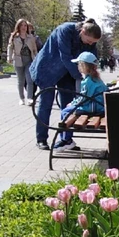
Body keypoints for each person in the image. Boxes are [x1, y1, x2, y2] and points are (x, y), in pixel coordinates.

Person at [30, 18, 101, 150]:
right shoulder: (65, 30)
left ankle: (66, 140)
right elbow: (65, 56)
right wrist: (81, 76)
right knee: (46, 104)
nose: (91, 44)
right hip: (48, 69)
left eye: (93, 43)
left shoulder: (90, 41)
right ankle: (41, 139)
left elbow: (92, 58)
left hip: (67, 74)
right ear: (83, 31)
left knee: (68, 106)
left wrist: (93, 74)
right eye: (89, 41)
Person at [53, 52, 107, 150]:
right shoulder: (94, 79)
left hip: (94, 109)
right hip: (98, 106)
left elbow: (85, 99)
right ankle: (66, 139)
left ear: (84, 66)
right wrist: (74, 103)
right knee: (68, 109)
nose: (78, 66)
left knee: (66, 112)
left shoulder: (88, 81)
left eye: (79, 64)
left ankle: (66, 140)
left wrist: (73, 103)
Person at [8, 19, 39, 106]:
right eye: (21, 25)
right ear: (18, 26)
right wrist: (9, 57)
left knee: (29, 80)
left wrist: (36, 59)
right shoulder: (14, 37)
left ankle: (29, 98)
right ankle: (21, 98)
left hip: (29, 60)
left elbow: (34, 50)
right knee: (20, 81)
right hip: (18, 60)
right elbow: (10, 47)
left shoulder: (31, 37)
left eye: (25, 25)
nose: (23, 27)